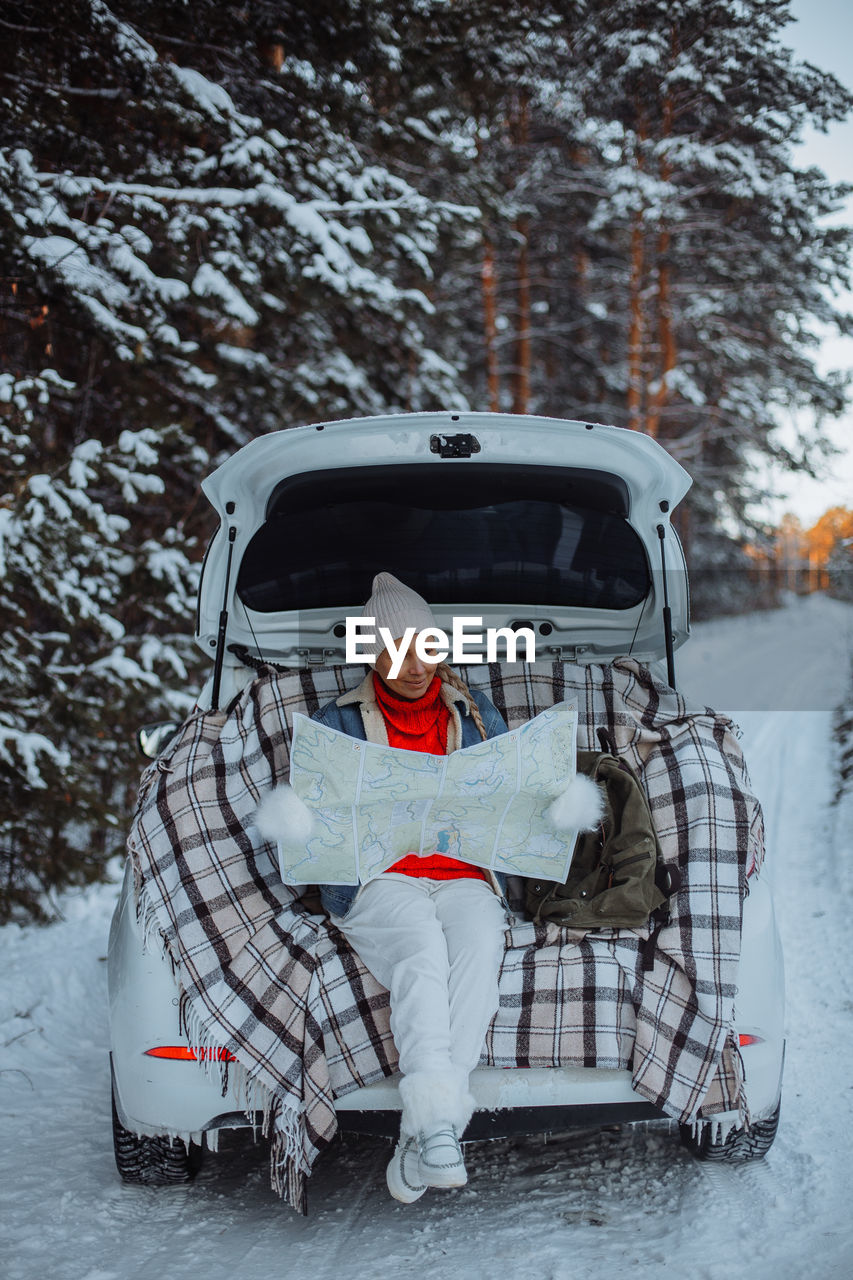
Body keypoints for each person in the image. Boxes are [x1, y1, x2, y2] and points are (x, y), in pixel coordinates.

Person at [312, 572, 510, 1204]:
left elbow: (507, 799)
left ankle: (428, 1129)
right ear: (373, 653)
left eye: (427, 647)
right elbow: (317, 821)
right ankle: (439, 1130)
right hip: (382, 876)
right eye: (398, 651)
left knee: (480, 946)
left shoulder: (474, 712)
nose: (417, 665)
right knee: (422, 950)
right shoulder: (337, 720)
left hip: (463, 874)